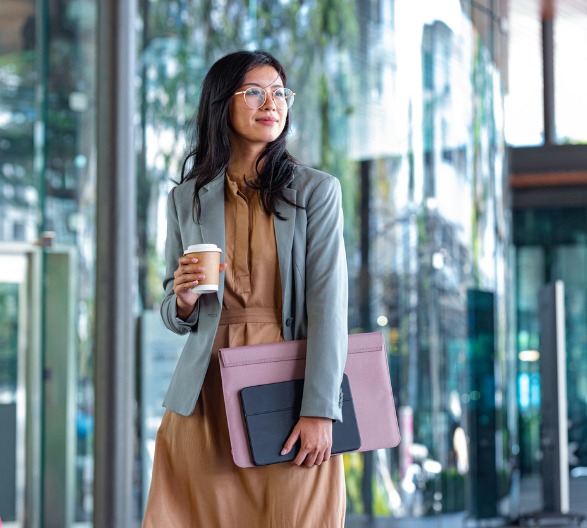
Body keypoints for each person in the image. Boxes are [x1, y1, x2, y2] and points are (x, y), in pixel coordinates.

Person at [143, 50, 349, 527]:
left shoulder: (316, 192)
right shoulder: (186, 197)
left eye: (279, 92)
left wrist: (320, 409)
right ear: (221, 104)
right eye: (255, 91)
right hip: (207, 397)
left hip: (290, 392)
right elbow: (174, 312)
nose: (271, 102)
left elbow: (328, 305)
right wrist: (183, 299)